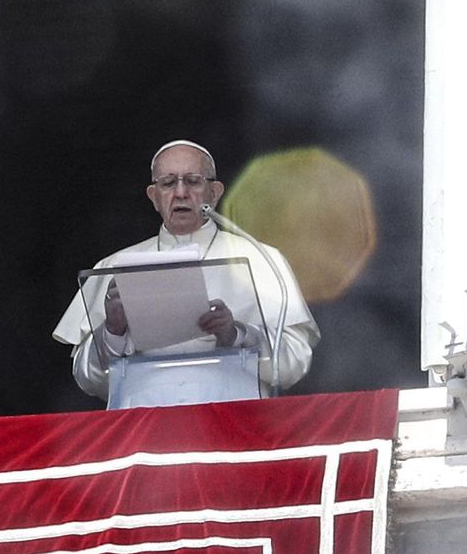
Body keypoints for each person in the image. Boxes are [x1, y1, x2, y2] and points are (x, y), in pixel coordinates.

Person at [52, 140, 320, 401]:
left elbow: (293, 364)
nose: (181, 193)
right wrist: (112, 331)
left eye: (193, 181)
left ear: (214, 193)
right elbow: (88, 380)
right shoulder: (114, 267)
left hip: (235, 425)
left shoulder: (261, 258)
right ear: (154, 196)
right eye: (168, 183)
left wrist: (236, 334)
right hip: (143, 429)